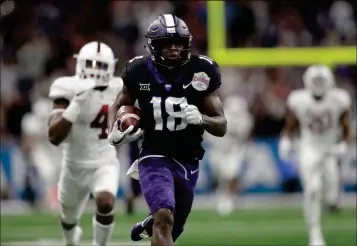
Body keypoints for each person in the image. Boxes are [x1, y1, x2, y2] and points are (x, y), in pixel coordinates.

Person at [107, 14, 227, 246]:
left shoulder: (202, 70)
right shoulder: (138, 70)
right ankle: (156, 220)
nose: (173, 48)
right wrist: (113, 130)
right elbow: (118, 104)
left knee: (173, 228)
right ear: (153, 45)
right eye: (166, 43)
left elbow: (221, 125)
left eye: (178, 43)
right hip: (153, 155)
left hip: (188, 160)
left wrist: (201, 119)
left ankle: (147, 226)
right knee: (164, 217)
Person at [48, 41, 122, 246]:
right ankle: (71, 240)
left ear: (111, 68)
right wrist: (77, 104)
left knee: (106, 202)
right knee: (69, 219)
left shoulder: (119, 88)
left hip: (104, 162)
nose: (95, 70)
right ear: (79, 63)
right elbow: (54, 137)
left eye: (101, 65)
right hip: (73, 166)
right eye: (90, 64)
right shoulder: (67, 87)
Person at [279, 64, 351, 246]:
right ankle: (315, 234)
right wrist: (286, 139)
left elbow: (345, 126)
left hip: (329, 149)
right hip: (309, 147)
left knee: (331, 198)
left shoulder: (338, 99)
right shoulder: (299, 100)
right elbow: (291, 123)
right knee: (312, 189)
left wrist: (344, 143)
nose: (318, 84)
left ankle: (334, 199)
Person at [206, 95, 253, 215]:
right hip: (219, 150)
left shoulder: (247, 120)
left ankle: (230, 198)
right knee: (220, 176)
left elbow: (245, 137)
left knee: (233, 174)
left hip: (234, 150)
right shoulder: (219, 116)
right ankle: (221, 194)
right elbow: (209, 134)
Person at [21, 97, 62, 209]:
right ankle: (45, 199)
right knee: (47, 173)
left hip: (52, 150)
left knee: (57, 171)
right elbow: (27, 141)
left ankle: (54, 197)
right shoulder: (30, 121)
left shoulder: (54, 119)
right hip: (38, 151)